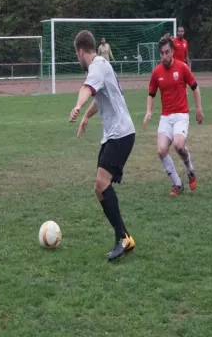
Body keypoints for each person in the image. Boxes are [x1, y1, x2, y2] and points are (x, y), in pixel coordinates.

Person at [69, 30, 136, 262]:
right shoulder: (101, 66)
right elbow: (99, 98)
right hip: (115, 135)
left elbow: (87, 90)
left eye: (76, 54)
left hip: (121, 134)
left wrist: (78, 106)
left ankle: (122, 239)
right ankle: (125, 237)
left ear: (80, 51)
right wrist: (87, 116)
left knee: (101, 183)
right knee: (99, 188)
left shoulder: (96, 66)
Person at [143, 33, 204, 197]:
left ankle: (190, 170)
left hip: (181, 115)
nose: (164, 56)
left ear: (172, 51)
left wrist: (198, 109)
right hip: (166, 117)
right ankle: (178, 183)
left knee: (178, 145)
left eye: (167, 52)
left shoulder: (182, 67)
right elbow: (151, 94)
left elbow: (195, 87)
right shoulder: (156, 72)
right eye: (161, 53)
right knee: (161, 150)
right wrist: (149, 111)